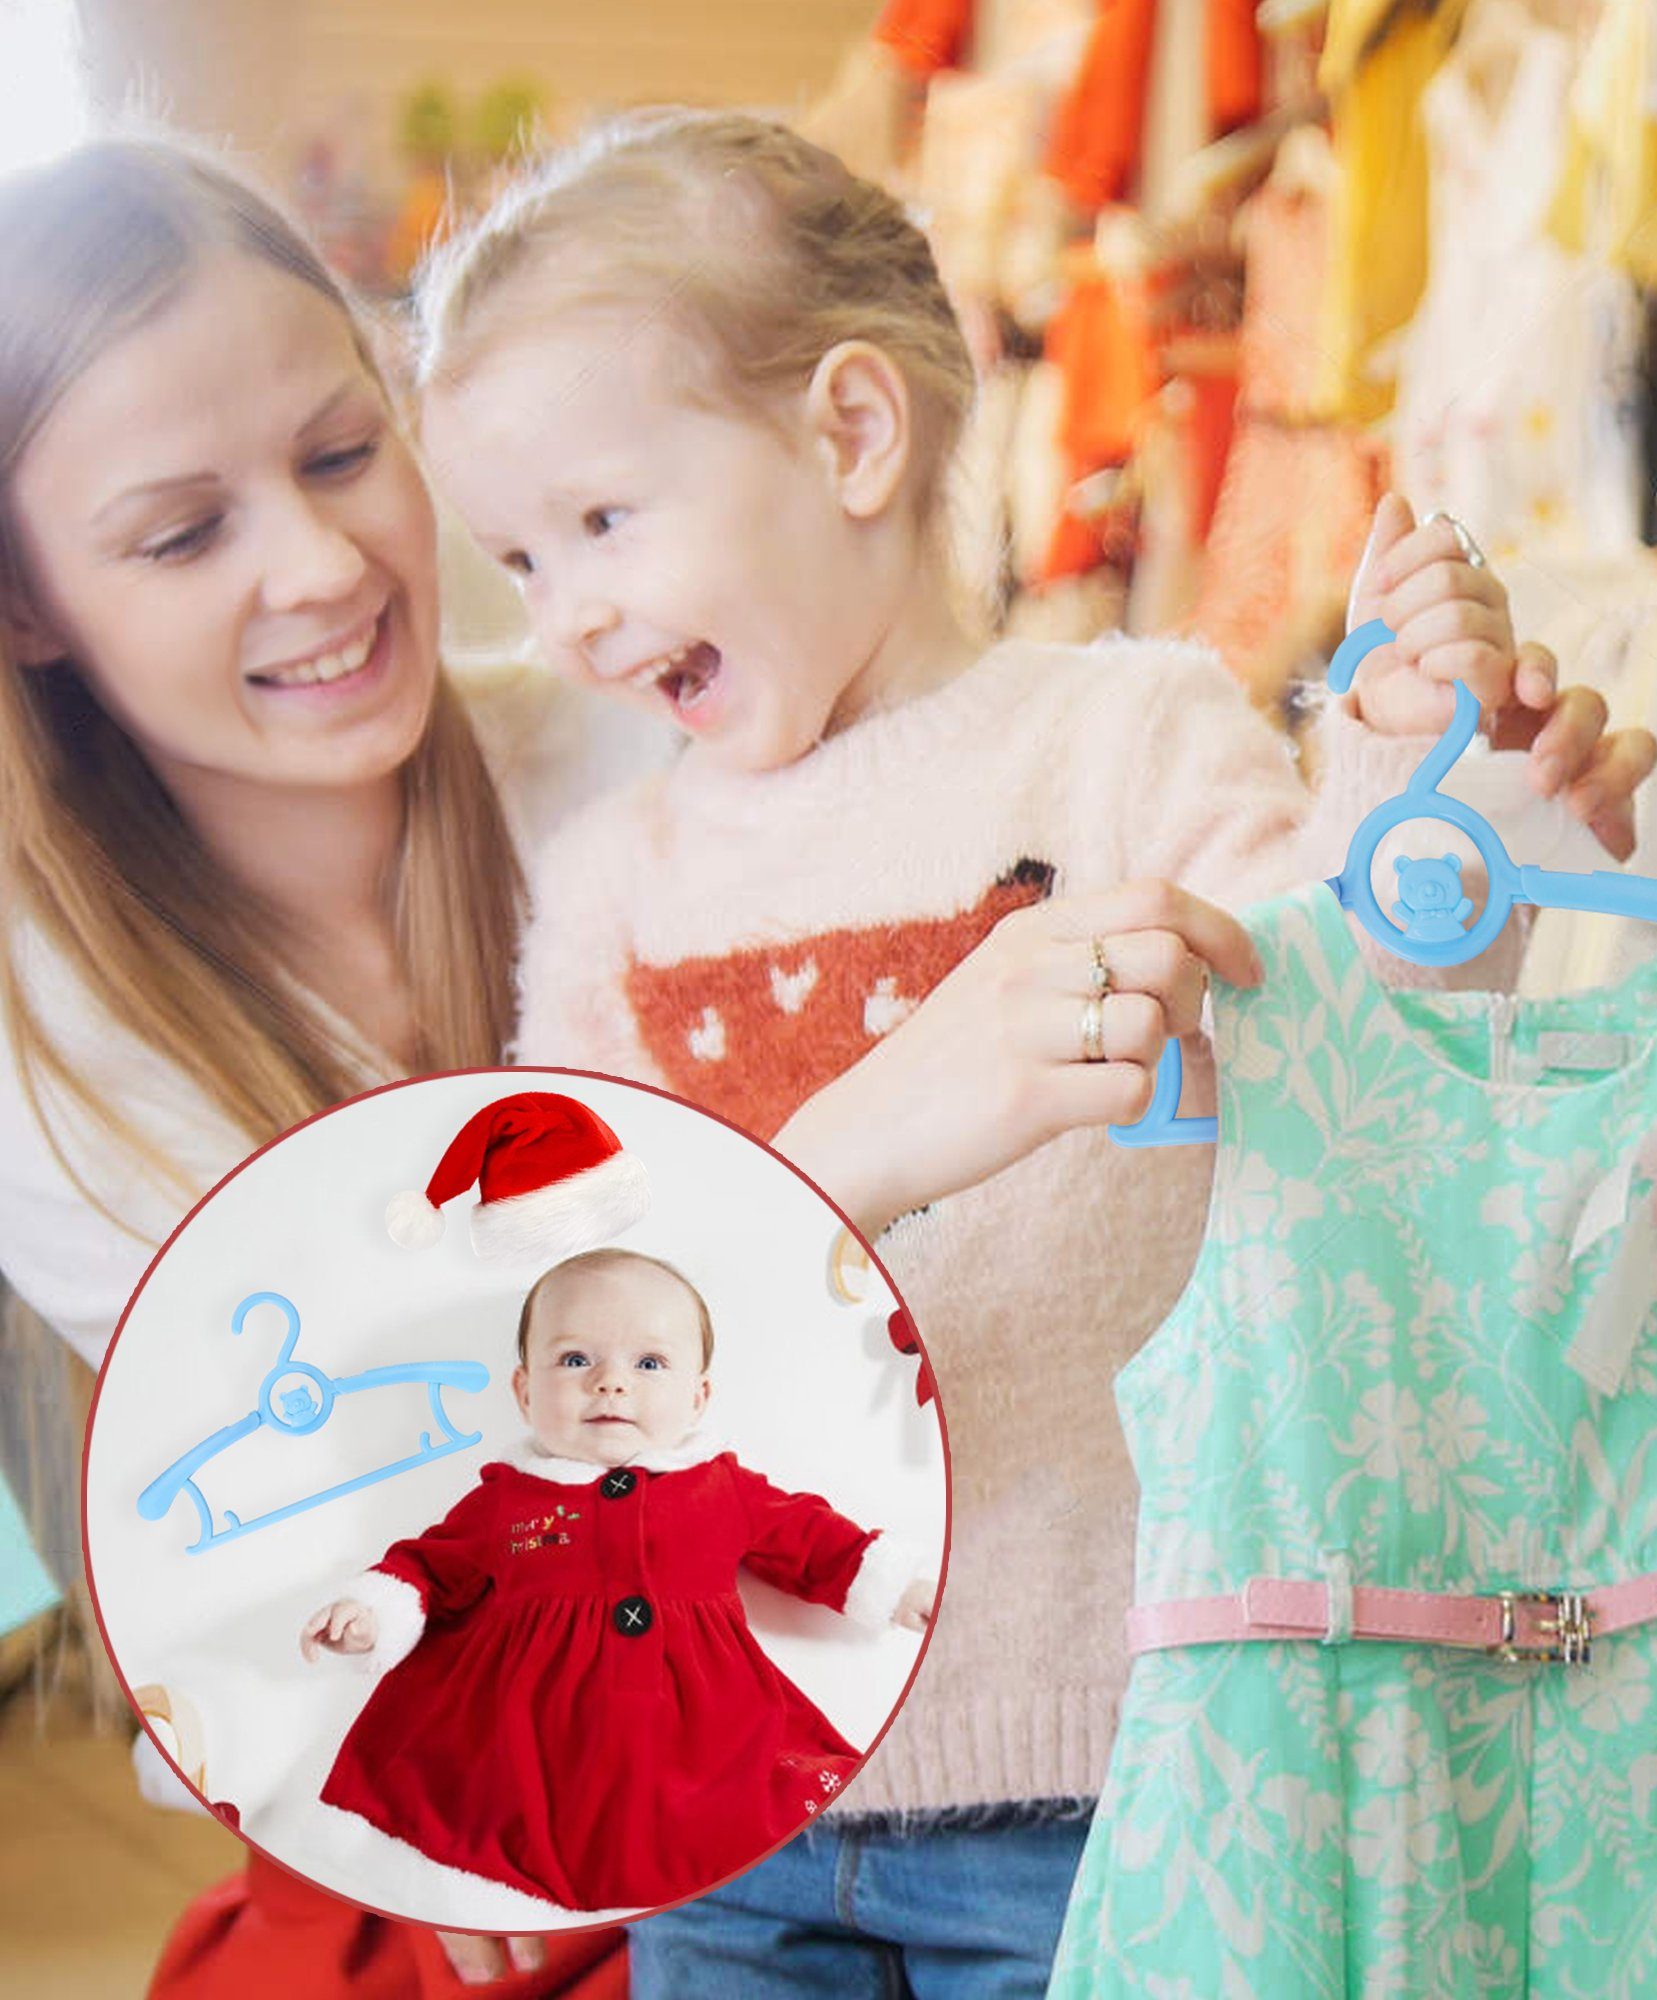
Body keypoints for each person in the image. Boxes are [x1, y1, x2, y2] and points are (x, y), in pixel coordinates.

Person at [410, 108, 1657, 1994]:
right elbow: (572, 1323)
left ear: (849, 432)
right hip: (733, 1803)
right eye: (517, 558)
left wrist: (1424, 770)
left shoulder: (1126, 741)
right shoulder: (609, 883)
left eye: (602, 521)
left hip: (1120, 1774)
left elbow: (1357, 1031)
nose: (565, 613)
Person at [0, 136, 1260, 1993]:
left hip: (931, 1723)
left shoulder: (653, 748)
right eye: (184, 534)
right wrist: (859, 1142)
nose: (326, 564)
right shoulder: (52, 1057)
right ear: (26, 605)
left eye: (348, 457)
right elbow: (380, 1519)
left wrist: (1450, 815)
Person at [303, 1244, 936, 1912]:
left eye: (649, 1363)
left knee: (783, 1815)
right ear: (523, 1391)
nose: (610, 1382)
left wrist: (900, 1587)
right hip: (529, 1753)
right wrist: (373, 1613)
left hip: (711, 1735)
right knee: (488, 1859)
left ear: (697, 1397)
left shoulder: (719, 1488)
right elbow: (430, 1566)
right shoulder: (505, 1502)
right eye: (575, 1360)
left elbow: (811, 1539)